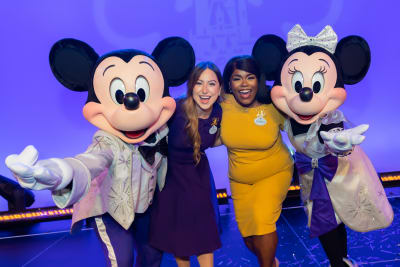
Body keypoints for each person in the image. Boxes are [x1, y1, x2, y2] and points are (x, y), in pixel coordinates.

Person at [216, 55, 293, 267]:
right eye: (237, 78)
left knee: (262, 220)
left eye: (250, 77)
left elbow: (300, 127)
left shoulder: (273, 105)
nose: (244, 84)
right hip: (240, 180)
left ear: (258, 80)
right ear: (229, 84)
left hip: (274, 172)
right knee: (249, 238)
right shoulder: (223, 105)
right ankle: (271, 262)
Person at [149, 61, 223, 267]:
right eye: (199, 83)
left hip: (199, 178)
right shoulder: (176, 109)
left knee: (204, 237)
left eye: (211, 83)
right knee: (181, 240)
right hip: (173, 182)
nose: (205, 90)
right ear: (191, 86)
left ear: (220, 88)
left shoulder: (219, 112)